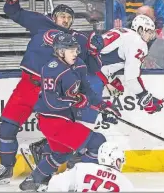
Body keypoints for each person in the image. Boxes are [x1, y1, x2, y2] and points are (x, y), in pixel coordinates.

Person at [0, 0, 93, 186]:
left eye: (69, 18)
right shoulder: (42, 24)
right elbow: (13, 11)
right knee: (7, 128)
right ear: (53, 17)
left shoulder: (77, 39)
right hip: (27, 85)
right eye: (62, 16)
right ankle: (6, 168)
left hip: (55, 92)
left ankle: (49, 171)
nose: (65, 20)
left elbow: (95, 58)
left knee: (62, 138)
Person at [19, 32, 121, 192]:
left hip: (65, 120)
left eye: (76, 49)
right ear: (60, 51)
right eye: (70, 50)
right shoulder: (51, 70)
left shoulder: (79, 64)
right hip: (52, 121)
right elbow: (51, 102)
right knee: (97, 142)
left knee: (62, 153)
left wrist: (103, 105)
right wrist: (76, 100)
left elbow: (86, 90)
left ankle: (33, 180)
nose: (75, 53)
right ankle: (78, 182)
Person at [89, 14, 163, 114]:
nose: (151, 36)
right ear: (140, 29)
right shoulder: (139, 42)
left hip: (84, 70)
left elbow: (98, 56)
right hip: (91, 78)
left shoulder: (123, 31)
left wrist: (109, 81)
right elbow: (131, 77)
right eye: (149, 32)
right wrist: (145, 99)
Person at [47, 142, 134, 192]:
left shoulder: (81, 168)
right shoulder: (125, 182)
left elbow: (54, 183)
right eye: (120, 161)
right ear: (114, 160)